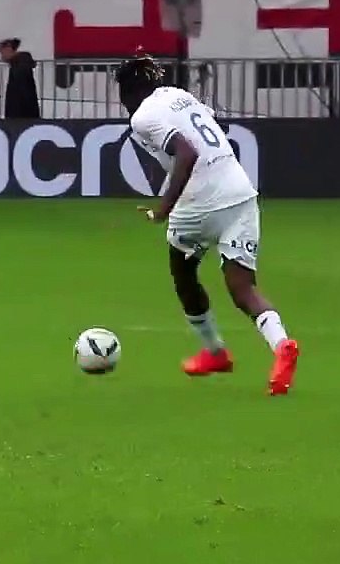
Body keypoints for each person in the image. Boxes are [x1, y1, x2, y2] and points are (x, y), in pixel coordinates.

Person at [114, 55, 299, 395]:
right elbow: (207, 130)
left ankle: (215, 352)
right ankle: (282, 344)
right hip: (240, 192)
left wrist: (163, 209)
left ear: (129, 91)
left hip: (201, 200)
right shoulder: (178, 95)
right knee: (243, 289)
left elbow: (186, 153)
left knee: (182, 273)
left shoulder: (142, 116)